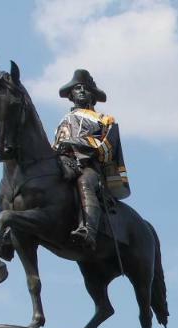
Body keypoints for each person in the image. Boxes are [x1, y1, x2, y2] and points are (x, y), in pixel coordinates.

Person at [52, 69, 129, 250]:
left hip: (90, 166)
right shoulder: (65, 121)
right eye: (77, 88)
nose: (81, 91)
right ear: (71, 94)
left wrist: (75, 142)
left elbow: (108, 145)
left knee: (85, 182)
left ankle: (89, 231)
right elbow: (56, 146)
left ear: (92, 96)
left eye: (85, 89)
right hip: (64, 162)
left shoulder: (105, 120)